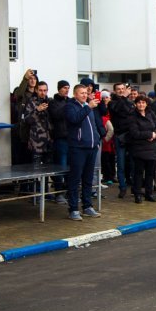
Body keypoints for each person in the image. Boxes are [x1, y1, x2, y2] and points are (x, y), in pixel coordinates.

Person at [64, 84, 102, 220]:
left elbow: (94, 125)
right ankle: (73, 209)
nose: (84, 95)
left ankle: (87, 206)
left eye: (86, 93)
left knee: (88, 179)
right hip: (78, 148)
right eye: (81, 93)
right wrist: (88, 107)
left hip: (91, 147)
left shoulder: (88, 106)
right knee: (75, 179)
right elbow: (74, 119)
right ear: (75, 94)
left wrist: (97, 141)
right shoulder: (70, 106)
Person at [128, 94, 156, 203]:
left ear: (146, 103)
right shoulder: (132, 116)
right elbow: (134, 133)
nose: (141, 104)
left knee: (150, 173)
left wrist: (155, 134)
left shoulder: (151, 113)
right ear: (135, 104)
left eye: (143, 102)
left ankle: (149, 193)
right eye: (139, 102)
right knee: (138, 173)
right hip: (139, 149)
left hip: (153, 148)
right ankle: (137, 194)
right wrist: (149, 134)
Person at [109, 82, 135, 198]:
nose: (121, 91)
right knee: (121, 164)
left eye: (122, 89)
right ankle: (122, 187)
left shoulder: (129, 102)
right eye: (118, 89)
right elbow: (118, 110)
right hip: (120, 136)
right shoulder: (112, 103)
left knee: (133, 163)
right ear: (114, 91)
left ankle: (135, 187)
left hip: (131, 136)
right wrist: (124, 97)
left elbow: (130, 113)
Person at [49, 80, 71, 204]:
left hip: (71, 139)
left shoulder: (70, 101)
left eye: (68, 88)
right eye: (64, 88)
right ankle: (58, 192)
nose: (66, 90)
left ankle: (69, 191)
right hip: (60, 138)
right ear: (59, 89)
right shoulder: (53, 102)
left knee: (70, 167)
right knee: (60, 166)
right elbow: (56, 115)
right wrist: (68, 106)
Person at [24, 81, 53, 165]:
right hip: (36, 143)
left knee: (49, 169)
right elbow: (27, 120)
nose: (43, 93)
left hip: (49, 142)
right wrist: (37, 110)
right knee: (36, 170)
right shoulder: (31, 102)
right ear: (36, 90)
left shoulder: (50, 101)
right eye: (40, 90)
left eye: (45, 90)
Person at [13, 69, 38, 164]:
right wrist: (25, 78)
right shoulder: (23, 94)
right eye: (30, 79)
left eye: (34, 78)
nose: (32, 80)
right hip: (24, 130)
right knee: (24, 158)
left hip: (37, 130)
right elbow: (17, 94)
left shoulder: (39, 94)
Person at [99, 91, 116, 185]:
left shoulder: (112, 108)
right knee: (105, 158)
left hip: (111, 137)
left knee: (111, 158)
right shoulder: (101, 109)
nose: (105, 99)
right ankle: (107, 176)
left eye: (107, 97)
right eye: (103, 98)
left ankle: (111, 176)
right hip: (106, 136)